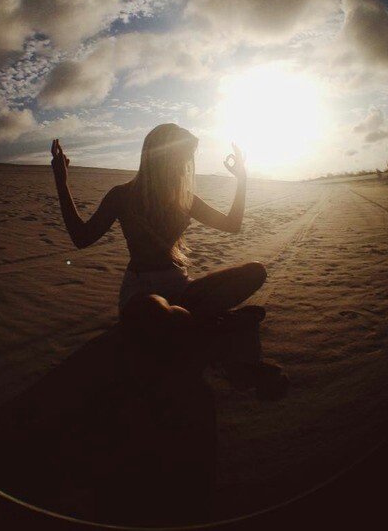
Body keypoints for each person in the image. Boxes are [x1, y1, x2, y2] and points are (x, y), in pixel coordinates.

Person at [51, 124, 288, 394]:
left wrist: (242, 179)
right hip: (141, 293)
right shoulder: (122, 195)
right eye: (182, 157)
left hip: (180, 286)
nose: (186, 166)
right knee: (159, 312)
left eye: (188, 158)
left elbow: (231, 224)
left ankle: (201, 324)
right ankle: (214, 330)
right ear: (161, 157)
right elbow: (82, 237)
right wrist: (62, 183)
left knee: (255, 272)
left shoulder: (184, 199)